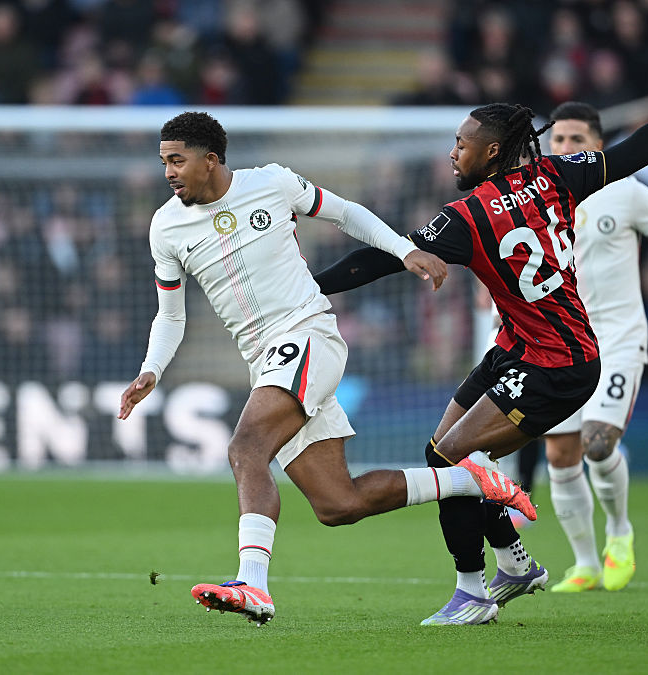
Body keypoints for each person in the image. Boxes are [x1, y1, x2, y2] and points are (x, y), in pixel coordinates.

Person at [315, 60, 648, 624]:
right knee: (441, 453)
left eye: (461, 144)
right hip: (520, 347)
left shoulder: (465, 217)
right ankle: (513, 562)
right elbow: (640, 149)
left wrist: (312, 288)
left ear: (490, 152)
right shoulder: (559, 175)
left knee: (449, 459)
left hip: (560, 364)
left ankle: (473, 592)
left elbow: (378, 261)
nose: (452, 154)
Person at [117, 112, 534, 627]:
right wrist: (152, 369)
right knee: (339, 503)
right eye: (163, 162)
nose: (168, 172)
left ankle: (253, 583)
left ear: (211, 159)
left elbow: (346, 212)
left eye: (176, 160)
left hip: (307, 334)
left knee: (246, 447)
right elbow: (171, 313)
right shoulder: (166, 225)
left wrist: (405, 250)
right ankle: (471, 481)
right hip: (263, 360)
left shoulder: (271, 182)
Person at [542, 101, 648, 594]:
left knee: (598, 443)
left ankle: (619, 531)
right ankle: (584, 563)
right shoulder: (537, 199)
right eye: (558, 140)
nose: (565, 148)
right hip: (561, 341)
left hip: (618, 336)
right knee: (560, 453)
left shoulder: (627, 192)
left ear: (597, 145)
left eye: (576, 140)